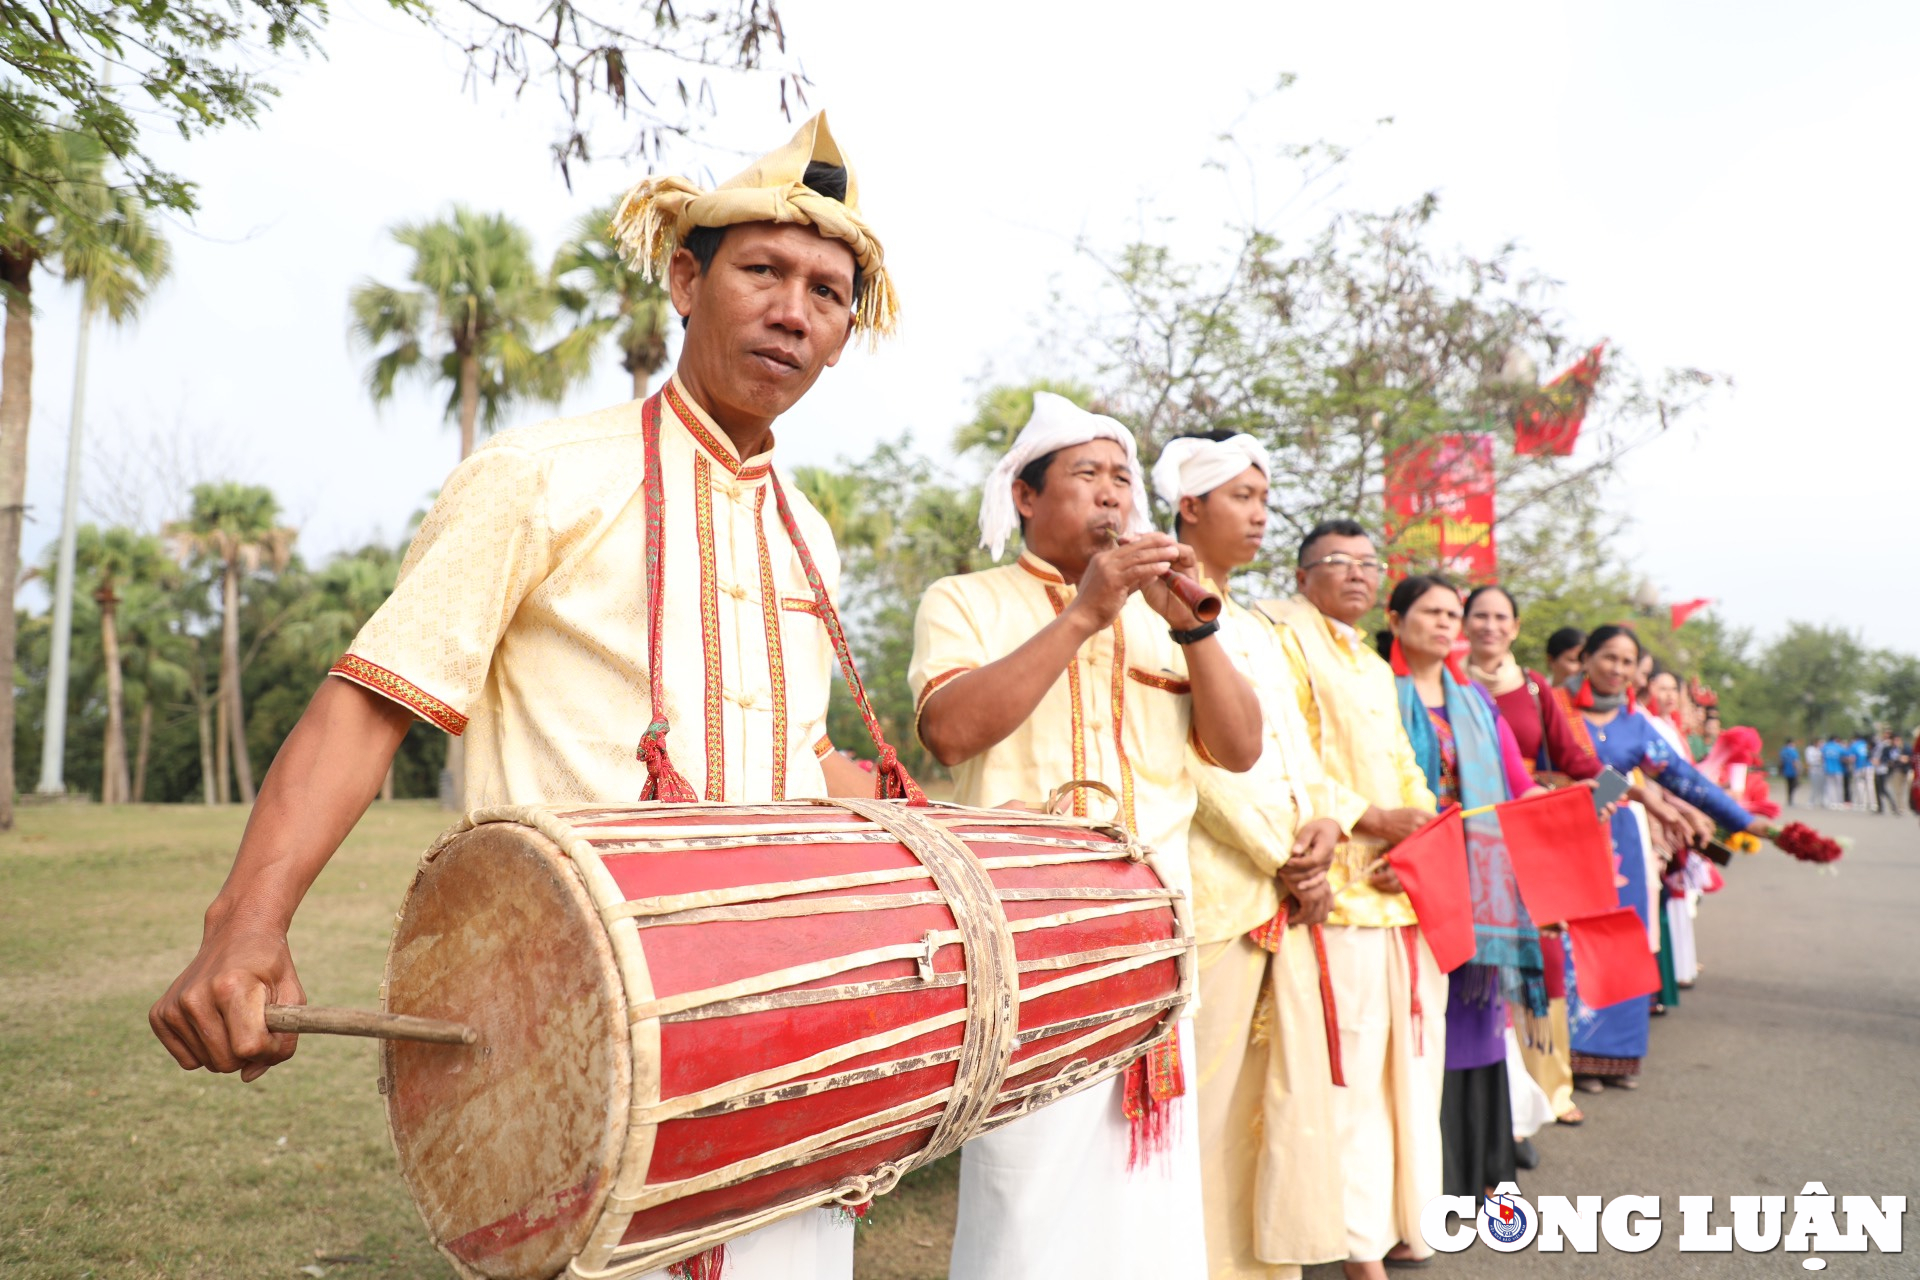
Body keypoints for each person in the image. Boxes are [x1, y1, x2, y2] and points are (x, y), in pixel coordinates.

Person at [149, 113, 899, 1280]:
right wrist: (245, 922)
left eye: (829, 291)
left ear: (848, 332)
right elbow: (372, 699)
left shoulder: (811, 534)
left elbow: (803, 761)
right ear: (687, 280)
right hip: (574, 1028)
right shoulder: (538, 477)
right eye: (762, 270)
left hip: (776, 1023)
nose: (796, 310)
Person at [911, 394, 1263, 1280]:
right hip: (1028, 941)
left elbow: (1241, 748)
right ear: (1025, 497)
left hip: (1155, 938)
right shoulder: (966, 600)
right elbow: (949, 734)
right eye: (1086, 476)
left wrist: (1198, 630)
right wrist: (1081, 615)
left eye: (1122, 479)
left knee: (1151, 1185)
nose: (1112, 497)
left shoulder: (1172, 613)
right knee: (1026, 1186)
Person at [1151, 431, 1366, 1280]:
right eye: (1242, 497)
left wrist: (1324, 828)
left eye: (1267, 500)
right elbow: (1192, 762)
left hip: (1281, 892)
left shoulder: (1262, 628)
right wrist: (1288, 858)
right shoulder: (1153, 612)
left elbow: (1299, 754)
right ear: (1190, 506)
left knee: (1276, 1108)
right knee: (1203, 1117)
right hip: (1214, 896)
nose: (1261, 516)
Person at [1261, 521, 1443, 1280]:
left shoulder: (1369, 660)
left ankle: (1401, 1222)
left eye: (1371, 564)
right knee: (1348, 1076)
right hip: (1335, 890)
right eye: (1340, 562)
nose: (1361, 575)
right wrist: (1373, 823)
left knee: (1406, 1074)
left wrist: (1417, 839)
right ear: (1303, 574)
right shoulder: (1281, 637)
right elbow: (1290, 755)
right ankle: (1351, 1242)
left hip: (1399, 891)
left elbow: (1405, 766)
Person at [1384, 576, 1548, 1203]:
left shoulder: (1476, 702)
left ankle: (1479, 1167)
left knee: (1476, 1019)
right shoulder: (1379, 692)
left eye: (1454, 612)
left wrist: (1574, 804)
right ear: (1396, 619)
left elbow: (1515, 783)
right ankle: (1427, 1181)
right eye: (1433, 610)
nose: (1447, 622)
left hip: (1479, 887)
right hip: (1408, 875)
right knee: (1422, 1021)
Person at [1565, 626, 1760, 1093]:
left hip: (1622, 840)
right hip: (1571, 837)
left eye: (1627, 662)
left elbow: (1684, 781)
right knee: (1576, 944)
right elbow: (1557, 773)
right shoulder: (1560, 713)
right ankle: (1573, 1055)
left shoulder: (1637, 725)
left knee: (1623, 943)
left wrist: (1747, 822)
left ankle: (1616, 1053)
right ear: (1586, 659)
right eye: (1608, 657)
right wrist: (1618, 792)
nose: (1617, 668)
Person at [1462, 585, 1603, 1127]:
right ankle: (1490, 1091)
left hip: (1529, 838)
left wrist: (1607, 804)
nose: (1490, 626)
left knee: (1539, 958)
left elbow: (1581, 760)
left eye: (1501, 617)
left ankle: (1550, 1086)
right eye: (1480, 616)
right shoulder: (1443, 685)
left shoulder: (1538, 691)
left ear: (1516, 628)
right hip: (1471, 838)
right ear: (1464, 624)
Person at [1873, 729, 1903, 815]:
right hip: (1878, 768)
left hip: (1884, 769)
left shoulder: (1890, 747)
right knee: (1878, 788)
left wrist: (1881, 761)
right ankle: (1880, 806)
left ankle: (1893, 806)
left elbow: (1889, 757)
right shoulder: (1882, 744)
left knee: (1883, 789)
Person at [1822, 735, 1845, 809]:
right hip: (1838, 769)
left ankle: (1832, 802)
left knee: (1830, 786)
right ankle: (1839, 802)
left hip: (1828, 769)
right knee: (1839, 787)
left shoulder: (1825, 747)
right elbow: (1844, 756)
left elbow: (1822, 757)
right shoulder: (1838, 747)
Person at [1779, 738, 1803, 808]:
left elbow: (1781, 761)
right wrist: (1798, 771)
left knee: (1788, 785)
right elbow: (1795, 762)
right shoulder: (1793, 751)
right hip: (1793, 771)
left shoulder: (1783, 751)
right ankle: (1791, 799)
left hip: (1786, 770)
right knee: (1794, 785)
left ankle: (1789, 799)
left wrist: (1781, 770)